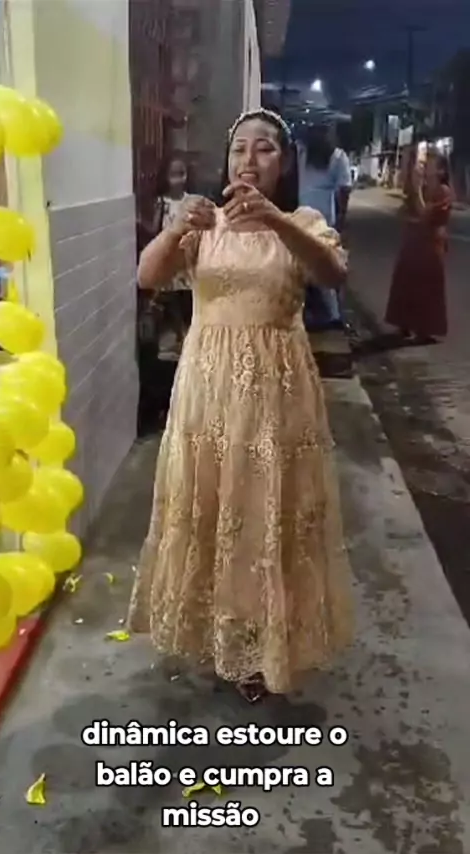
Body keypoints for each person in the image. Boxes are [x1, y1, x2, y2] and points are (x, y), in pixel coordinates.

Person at [128, 109, 353, 701]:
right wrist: (177, 229)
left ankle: (260, 646)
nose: (249, 160)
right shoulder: (206, 220)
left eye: (265, 149)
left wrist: (276, 221)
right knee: (207, 506)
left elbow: (332, 274)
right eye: (239, 149)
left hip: (276, 392)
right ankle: (211, 630)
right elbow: (147, 275)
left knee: (262, 513)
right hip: (207, 386)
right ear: (226, 160)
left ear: (285, 162)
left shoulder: (301, 221)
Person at [385, 151, 452, 345]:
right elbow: (402, 212)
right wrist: (413, 192)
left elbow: (425, 213)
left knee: (426, 286)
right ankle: (404, 323)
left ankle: (424, 329)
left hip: (431, 243)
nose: (424, 167)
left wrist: (417, 191)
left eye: (429, 165)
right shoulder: (422, 187)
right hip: (414, 239)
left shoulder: (444, 191)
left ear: (441, 171)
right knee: (405, 280)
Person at [299, 126, 352, 332]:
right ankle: (330, 314)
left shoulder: (306, 154)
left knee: (318, 264)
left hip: (314, 217)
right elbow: (344, 191)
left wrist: (341, 219)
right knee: (316, 263)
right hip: (315, 216)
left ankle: (331, 314)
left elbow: (344, 191)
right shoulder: (306, 154)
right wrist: (341, 219)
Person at [151, 155, 194, 356]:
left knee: (188, 297)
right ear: (166, 177)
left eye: (181, 173)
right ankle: (180, 335)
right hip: (168, 256)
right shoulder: (163, 202)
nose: (178, 179)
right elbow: (155, 228)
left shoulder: (190, 201)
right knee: (172, 298)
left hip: (186, 256)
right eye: (173, 174)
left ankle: (188, 335)